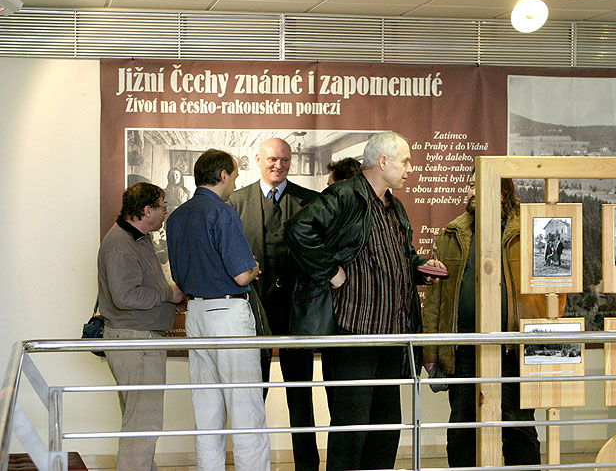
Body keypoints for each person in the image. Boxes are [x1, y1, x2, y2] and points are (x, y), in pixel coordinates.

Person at [285, 131, 446, 470]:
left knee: (386, 430)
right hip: (355, 334)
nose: (409, 169)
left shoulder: (394, 205)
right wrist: (330, 271)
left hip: (391, 336)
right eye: (405, 162)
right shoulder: (345, 195)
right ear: (382, 161)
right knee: (351, 430)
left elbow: (399, 256)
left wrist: (420, 268)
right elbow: (299, 229)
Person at [423, 173, 561, 467]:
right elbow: (437, 298)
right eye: (471, 185)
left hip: (513, 351)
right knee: (462, 433)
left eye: (480, 184)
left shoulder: (528, 231)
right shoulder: (452, 234)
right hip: (464, 352)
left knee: (519, 431)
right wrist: (431, 352)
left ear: (502, 192)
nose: (472, 191)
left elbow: (555, 287)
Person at [166, 149, 270, 471]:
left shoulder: (177, 217)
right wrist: (253, 268)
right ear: (223, 175)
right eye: (235, 177)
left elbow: (179, 283)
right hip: (227, 313)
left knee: (206, 409)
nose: (234, 183)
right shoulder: (223, 213)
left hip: (195, 315)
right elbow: (240, 274)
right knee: (245, 409)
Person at [227, 137, 319, 471]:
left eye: (284, 160)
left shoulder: (311, 202)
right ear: (257, 160)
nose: (278, 165)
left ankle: (308, 467)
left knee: (301, 398)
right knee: (254, 396)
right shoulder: (235, 203)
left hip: (298, 315)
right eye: (271, 160)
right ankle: (251, 465)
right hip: (254, 315)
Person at [97, 182, 185, 471]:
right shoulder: (120, 245)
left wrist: (167, 300)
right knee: (142, 425)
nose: (165, 211)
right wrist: (167, 295)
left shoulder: (136, 238)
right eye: (162, 206)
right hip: (137, 344)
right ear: (146, 211)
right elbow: (125, 297)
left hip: (139, 341)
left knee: (140, 423)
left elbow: (138, 288)